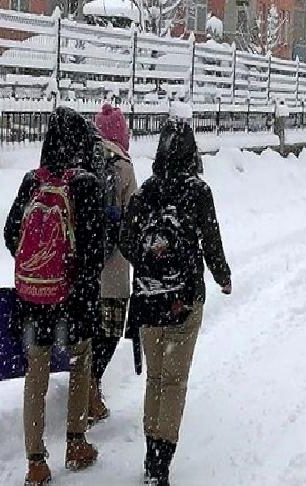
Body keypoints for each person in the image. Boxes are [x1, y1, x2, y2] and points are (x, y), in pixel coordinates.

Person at [120, 118, 232, 486]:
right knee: (174, 382)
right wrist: (222, 276)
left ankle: (151, 450)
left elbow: (126, 239)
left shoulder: (146, 192)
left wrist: (147, 260)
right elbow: (211, 241)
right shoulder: (198, 192)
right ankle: (161, 461)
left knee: (155, 379)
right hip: (183, 300)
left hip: (150, 299)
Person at [4, 107, 105, 486]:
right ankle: (76, 442)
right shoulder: (86, 184)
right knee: (80, 363)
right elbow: (97, 247)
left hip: (33, 299)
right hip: (74, 301)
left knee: (36, 372)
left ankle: (35, 461)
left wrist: (37, 264)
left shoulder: (33, 181)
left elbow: (10, 232)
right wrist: (76, 278)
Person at [89, 103, 138, 423]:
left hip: (82, 267)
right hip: (114, 270)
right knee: (108, 331)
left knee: (86, 332)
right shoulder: (122, 166)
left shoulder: (81, 159)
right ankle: (91, 388)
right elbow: (134, 219)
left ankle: (85, 388)